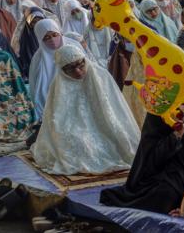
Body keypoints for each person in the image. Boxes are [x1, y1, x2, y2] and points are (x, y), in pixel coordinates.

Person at [100, 80, 184, 214]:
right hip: (173, 173)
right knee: (167, 195)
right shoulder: (162, 109)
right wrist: (176, 136)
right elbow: (150, 159)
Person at [31, 44, 140, 175]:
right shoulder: (58, 84)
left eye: (80, 65)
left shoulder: (101, 75)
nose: (78, 71)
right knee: (78, 144)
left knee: (118, 144)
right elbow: (57, 118)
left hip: (105, 124)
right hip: (74, 127)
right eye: (70, 69)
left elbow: (115, 108)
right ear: (62, 70)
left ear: (85, 60)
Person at [29, 19, 77, 120]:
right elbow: (34, 84)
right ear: (40, 40)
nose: (52, 39)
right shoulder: (38, 59)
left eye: (55, 35)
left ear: (60, 33)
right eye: (46, 38)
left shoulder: (74, 47)